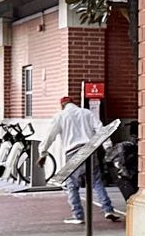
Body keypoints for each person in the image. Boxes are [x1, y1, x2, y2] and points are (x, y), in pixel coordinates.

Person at [46, 95, 119, 225]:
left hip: (72, 152)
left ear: (62, 105)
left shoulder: (60, 116)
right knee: (96, 181)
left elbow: (50, 136)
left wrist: (43, 152)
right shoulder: (87, 113)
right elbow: (101, 129)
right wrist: (107, 146)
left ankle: (78, 214)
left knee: (72, 185)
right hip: (90, 149)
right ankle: (108, 209)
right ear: (73, 103)